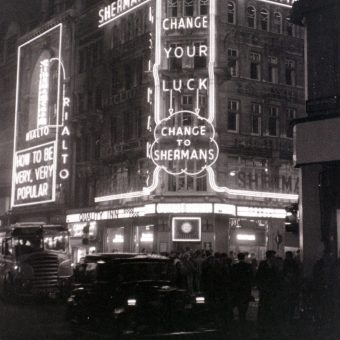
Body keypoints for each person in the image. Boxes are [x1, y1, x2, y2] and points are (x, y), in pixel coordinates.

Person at [256, 250, 282, 339]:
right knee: (264, 305)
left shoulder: (274, 266)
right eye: (273, 256)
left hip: (271, 290)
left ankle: (268, 322)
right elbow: (259, 276)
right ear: (269, 257)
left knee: (269, 305)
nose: (274, 258)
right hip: (265, 290)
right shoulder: (263, 264)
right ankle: (264, 323)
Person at [231, 253, 253, 324]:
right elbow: (250, 277)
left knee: (238, 302)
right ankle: (243, 317)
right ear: (244, 257)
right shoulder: (248, 266)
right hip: (246, 287)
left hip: (237, 288)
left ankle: (240, 316)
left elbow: (232, 277)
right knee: (245, 303)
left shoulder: (234, 266)